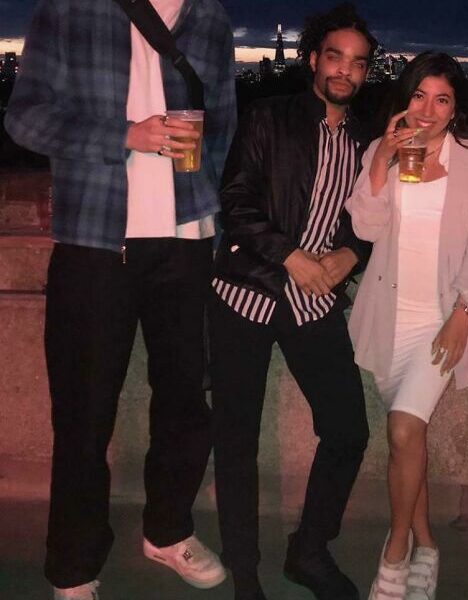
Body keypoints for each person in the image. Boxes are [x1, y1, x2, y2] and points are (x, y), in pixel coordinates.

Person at [4, 1, 237, 598]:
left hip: (187, 241)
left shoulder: (209, 16)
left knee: (185, 402)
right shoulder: (68, 8)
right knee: (82, 412)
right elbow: (24, 118)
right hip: (96, 242)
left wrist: (206, 202)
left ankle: (168, 530)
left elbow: (223, 124)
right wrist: (125, 136)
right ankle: (74, 564)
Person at [208, 4, 376, 600]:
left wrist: (350, 253)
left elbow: (375, 219)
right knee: (236, 440)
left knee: (348, 430)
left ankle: (309, 550)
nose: (345, 70)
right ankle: (245, 573)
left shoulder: (367, 143)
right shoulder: (268, 117)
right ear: (312, 59)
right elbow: (235, 199)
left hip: (314, 303)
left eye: (358, 62)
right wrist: (291, 255)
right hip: (245, 294)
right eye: (335, 56)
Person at [346, 52, 468, 599]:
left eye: (442, 99)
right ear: (405, 98)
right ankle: (428, 544)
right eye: (419, 95)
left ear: (455, 107)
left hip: (440, 322)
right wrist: (381, 161)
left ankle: (394, 553)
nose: (428, 110)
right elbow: (366, 229)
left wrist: (464, 315)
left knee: (401, 430)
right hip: (386, 319)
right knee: (407, 440)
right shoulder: (382, 149)